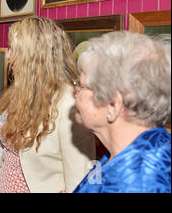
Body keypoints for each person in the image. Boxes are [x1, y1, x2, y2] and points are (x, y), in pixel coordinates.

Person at [0, 16, 95, 193]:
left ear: (35, 55)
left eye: (12, 49)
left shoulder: (71, 104)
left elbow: (80, 179)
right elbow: (7, 156)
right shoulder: (18, 92)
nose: (7, 56)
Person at [73, 31, 171, 193]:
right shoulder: (151, 145)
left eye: (82, 86)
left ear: (113, 105)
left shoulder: (133, 184)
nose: (75, 92)